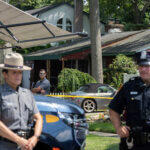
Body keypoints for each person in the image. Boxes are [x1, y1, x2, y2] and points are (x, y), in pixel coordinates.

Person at [0, 52, 43, 150]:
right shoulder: (1, 93)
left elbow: (39, 118)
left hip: (26, 145)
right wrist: (18, 140)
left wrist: (35, 138)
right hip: (6, 145)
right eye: (14, 72)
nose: (18, 75)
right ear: (5, 74)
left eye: (20, 72)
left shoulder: (27, 94)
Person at [109, 49, 150, 150]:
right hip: (134, 143)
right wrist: (119, 127)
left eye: (147, 66)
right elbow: (113, 109)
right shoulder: (129, 86)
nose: (143, 69)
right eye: (141, 66)